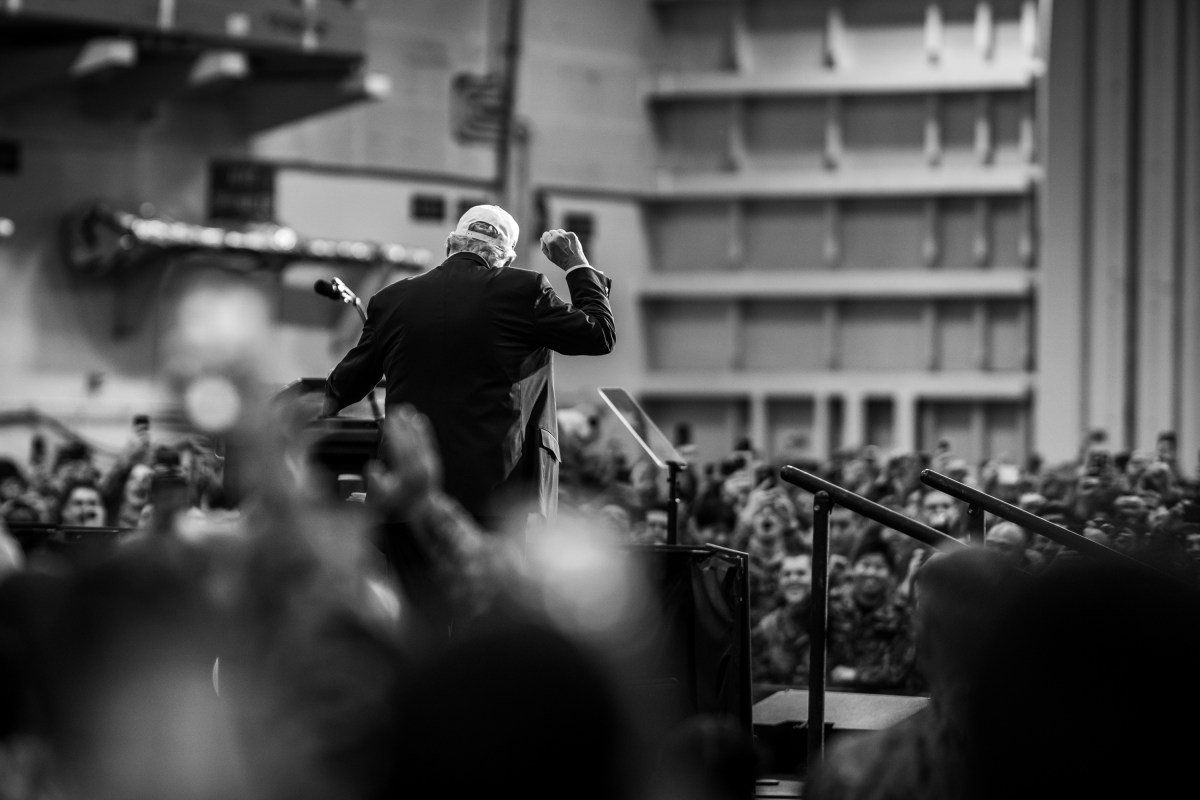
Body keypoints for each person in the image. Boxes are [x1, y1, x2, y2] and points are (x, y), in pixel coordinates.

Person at [322, 205, 615, 535]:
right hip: (498, 501)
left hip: (409, 498)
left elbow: (340, 389)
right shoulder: (523, 290)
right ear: (505, 260)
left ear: (451, 245)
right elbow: (599, 334)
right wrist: (577, 265)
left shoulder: (391, 300)